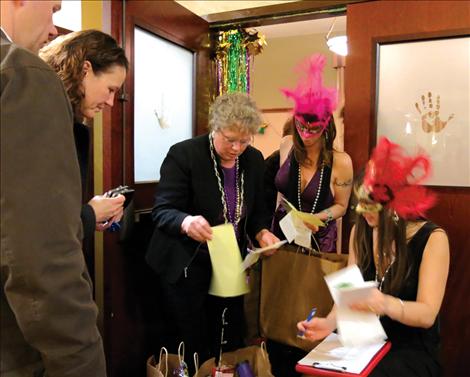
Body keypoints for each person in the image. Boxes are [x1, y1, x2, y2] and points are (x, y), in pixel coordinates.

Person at [1, 1, 106, 376]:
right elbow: (39, 256)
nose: (53, 29)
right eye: (54, 8)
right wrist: (83, 363)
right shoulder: (21, 74)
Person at [146, 92, 280, 373]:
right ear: (214, 127)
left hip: (229, 259)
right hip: (187, 261)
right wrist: (186, 222)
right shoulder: (184, 154)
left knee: (227, 333)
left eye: (244, 141)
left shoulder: (254, 160)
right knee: (190, 336)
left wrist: (262, 232)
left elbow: (256, 212)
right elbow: (163, 209)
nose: (236, 148)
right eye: (230, 139)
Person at [298, 137, 450, 377]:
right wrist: (329, 323)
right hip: (366, 343)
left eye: (369, 205)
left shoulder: (432, 239)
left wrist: (387, 304)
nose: (360, 211)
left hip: (411, 349)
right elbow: (350, 293)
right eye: (360, 202)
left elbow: (427, 314)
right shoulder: (361, 232)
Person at [40, 30, 128, 249]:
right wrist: (90, 214)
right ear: (85, 70)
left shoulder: (68, 124)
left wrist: (90, 216)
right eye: (110, 90)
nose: (110, 102)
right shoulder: (42, 122)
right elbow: (35, 220)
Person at [268, 54, 353, 253]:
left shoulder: (341, 161)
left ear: (326, 127)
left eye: (313, 129)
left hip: (318, 238)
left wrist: (318, 218)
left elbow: (341, 205)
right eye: (301, 126)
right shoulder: (287, 144)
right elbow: (281, 193)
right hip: (283, 231)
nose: (306, 134)